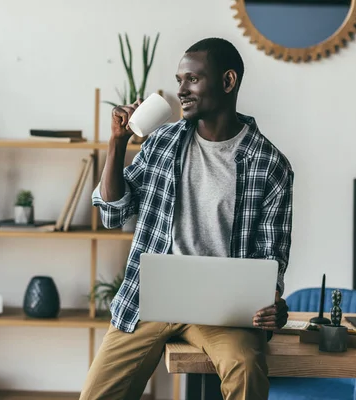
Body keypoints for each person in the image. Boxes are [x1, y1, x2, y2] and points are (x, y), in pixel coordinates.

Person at [81, 37, 294, 400]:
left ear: (228, 82)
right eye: (180, 80)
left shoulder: (270, 164)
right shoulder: (162, 143)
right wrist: (118, 142)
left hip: (224, 312)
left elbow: (271, 257)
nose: (181, 90)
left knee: (246, 368)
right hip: (148, 301)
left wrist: (273, 303)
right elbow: (113, 213)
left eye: (192, 80)